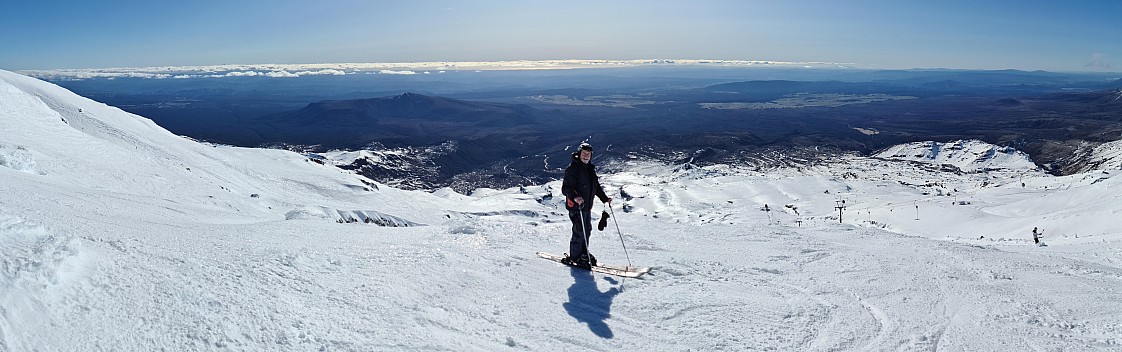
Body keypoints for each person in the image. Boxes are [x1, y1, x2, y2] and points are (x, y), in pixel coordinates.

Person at [561, 142, 612, 267]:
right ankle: (575, 257)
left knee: (587, 230)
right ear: (579, 154)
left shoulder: (590, 169)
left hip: (586, 207)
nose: (586, 156)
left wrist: (605, 198)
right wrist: (575, 197)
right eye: (584, 153)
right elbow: (566, 188)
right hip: (576, 207)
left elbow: (596, 187)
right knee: (579, 231)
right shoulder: (572, 169)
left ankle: (583, 253)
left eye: (588, 154)